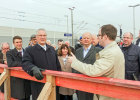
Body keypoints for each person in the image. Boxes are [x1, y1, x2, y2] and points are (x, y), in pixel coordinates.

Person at [68, 24, 125, 100]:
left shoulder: (110, 53)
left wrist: (74, 62)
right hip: (109, 92)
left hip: (108, 95)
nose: (97, 37)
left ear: (105, 37)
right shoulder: (114, 49)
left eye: (98, 35)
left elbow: (93, 70)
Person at [22, 28, 61, 100]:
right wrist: (33, 68)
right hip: (39, 84)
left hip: (53, 83)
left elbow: (57, 65)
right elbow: (25, 63)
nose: (42, 37)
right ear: (36, 37)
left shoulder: (52, 49)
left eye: (44, 35)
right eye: (40, 35)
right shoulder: (30, 50)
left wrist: (59, 78)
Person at [73, 32, 102, 100]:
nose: (86, 40)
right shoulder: (77, 51)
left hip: (92, 82)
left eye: (88, 38)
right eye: (84, 38)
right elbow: (74, 65)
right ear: (81, 40)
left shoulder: (98, 51)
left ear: (91, 40)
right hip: (80, 83)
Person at [6, 36, 31, 100]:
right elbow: (10, 64)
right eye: (17, 42)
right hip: (17, 83)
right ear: (13, 43)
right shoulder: (9, 53)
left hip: (27, 82)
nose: (19, 44)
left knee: (27, 97)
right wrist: (25, 63)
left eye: (20, 42)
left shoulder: (27, 52)